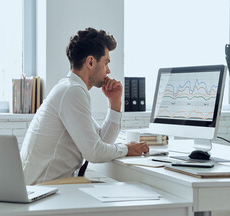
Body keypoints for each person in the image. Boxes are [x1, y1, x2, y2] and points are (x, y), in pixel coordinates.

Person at [20, 27, 149, 185]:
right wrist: (127, 148)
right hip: (45, 191)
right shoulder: (72, 91)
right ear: (90, 62)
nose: (108, 70)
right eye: (106, 63)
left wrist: (115, 102)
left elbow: (102, 141)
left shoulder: (69, 88)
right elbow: (94, 153)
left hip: (50, 187)